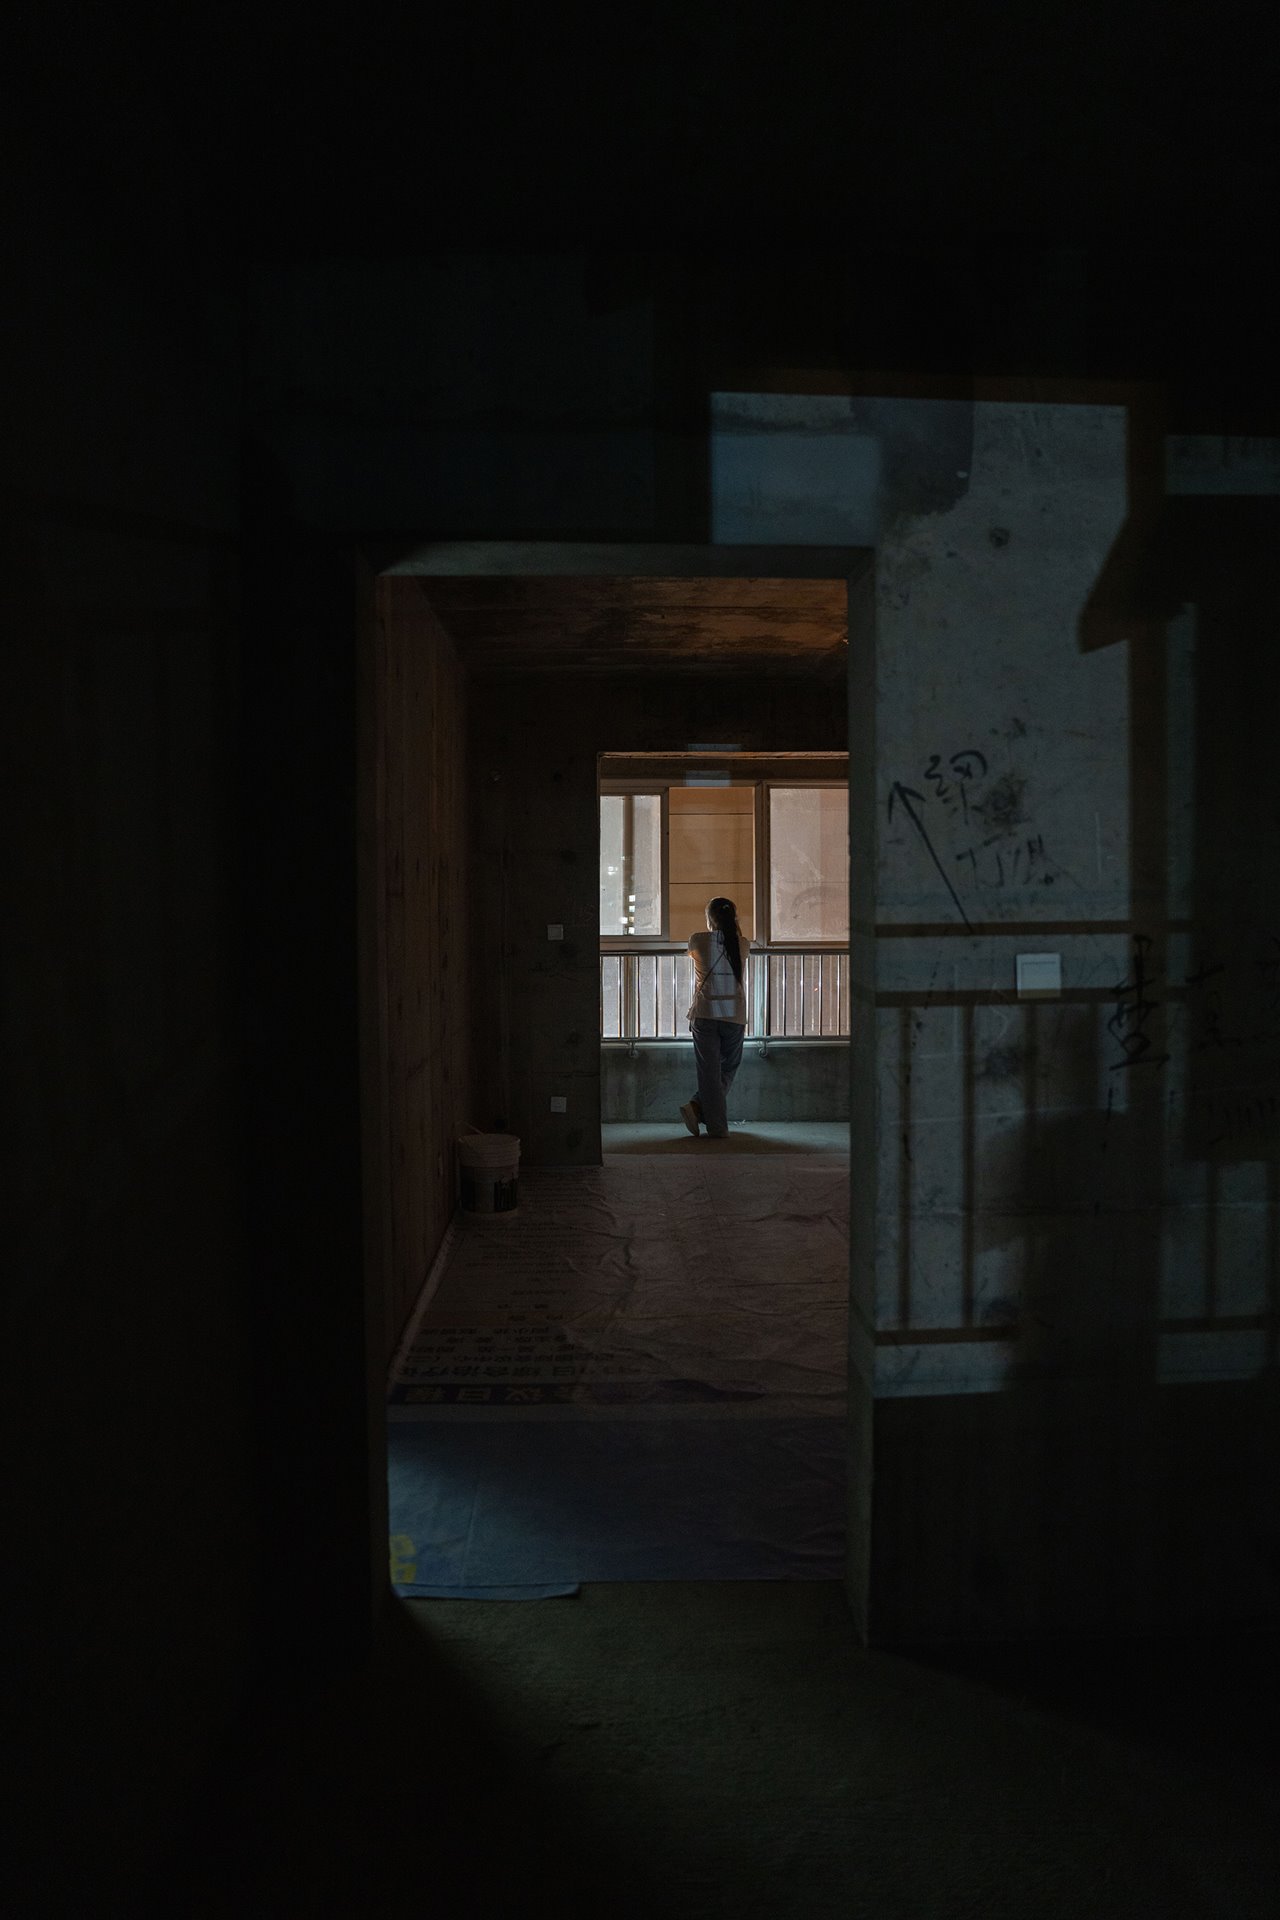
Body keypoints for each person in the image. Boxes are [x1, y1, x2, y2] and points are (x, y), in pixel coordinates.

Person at [680, 897, 748, 1140]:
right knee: (729, 1066)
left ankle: (705, 1114)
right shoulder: (742, 944)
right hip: (733, 1016)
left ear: (710, 919)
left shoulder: (697, 940)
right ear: (734, 918)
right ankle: (704, 1114)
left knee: (708, 1072)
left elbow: (693, 954)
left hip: (705, 1014)